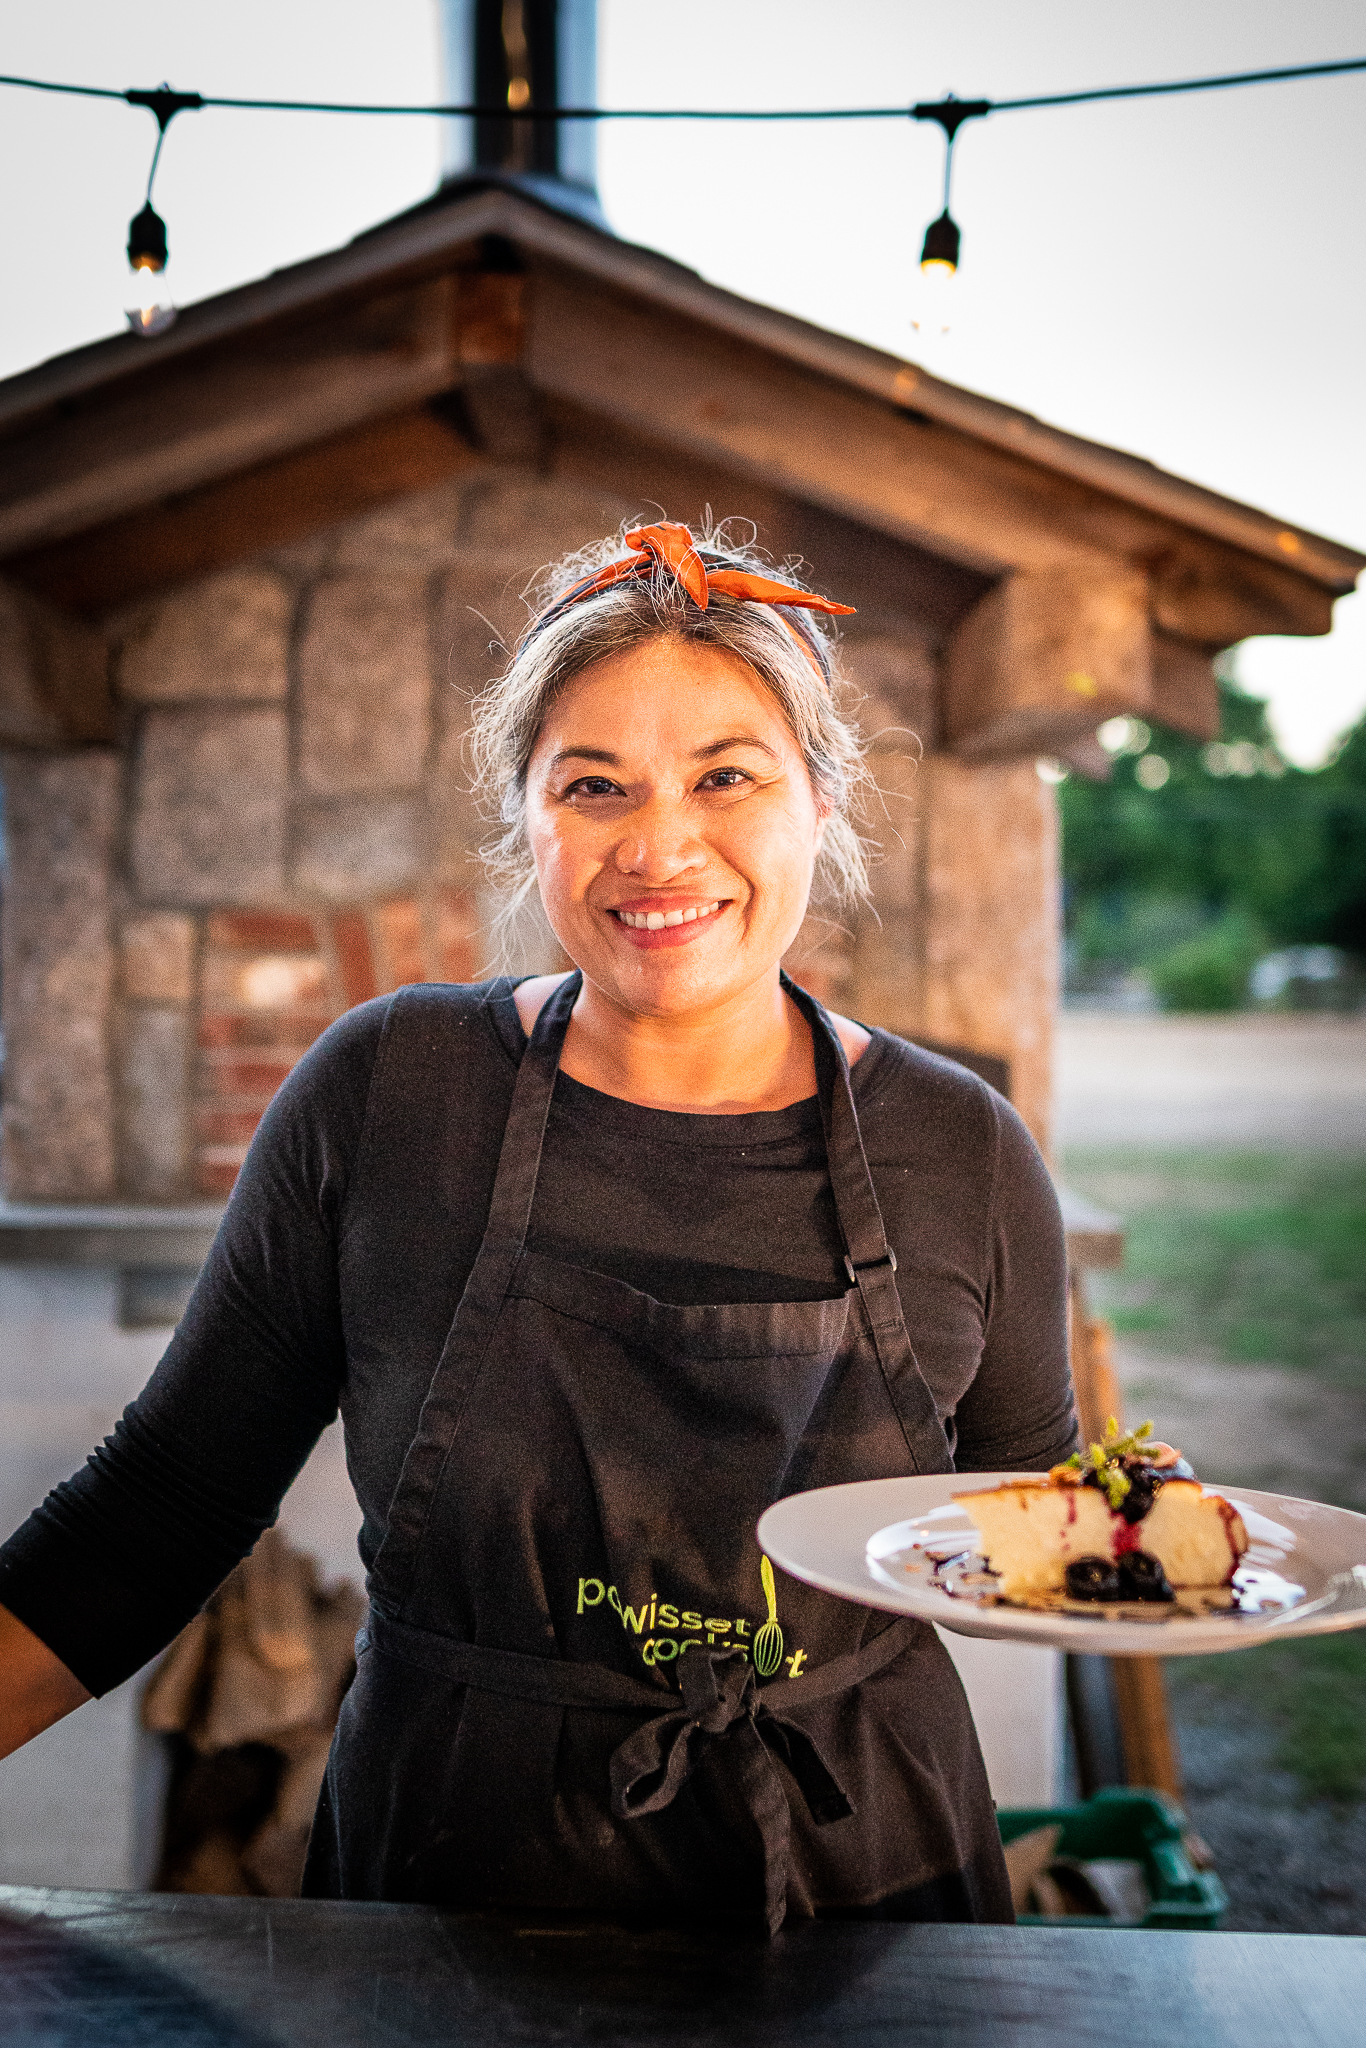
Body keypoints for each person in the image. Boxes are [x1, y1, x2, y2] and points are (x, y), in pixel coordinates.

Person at [0, 520, 1076, 1934]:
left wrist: (1159, 1539)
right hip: (449, 1877)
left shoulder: (960, 1148)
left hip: (857, 1891)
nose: (659, 845)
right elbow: (159, 1509)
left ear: (820, 798)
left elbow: (1026, 1523)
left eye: (725, 776)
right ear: (524, 818)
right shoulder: (390, 1093)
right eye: (593, 784)